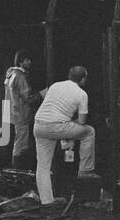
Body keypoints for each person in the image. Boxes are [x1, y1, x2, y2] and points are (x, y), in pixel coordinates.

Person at [32, 65, 100, 204]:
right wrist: (70, 124)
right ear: (83, 79)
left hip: (39, 125)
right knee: (89, 132)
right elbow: (82, 122)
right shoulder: (82, 94)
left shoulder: (55, 85)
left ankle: (47, 202)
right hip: (58, 126)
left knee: (43, 166)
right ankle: (85, 169)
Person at [3, 50, 37, 169]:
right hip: (22, 113)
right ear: (21, 62)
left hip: (14, 112)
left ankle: (18, 167)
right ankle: (18, 170)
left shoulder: (11, 74)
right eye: (27, 60)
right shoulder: (20, 76)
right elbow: (28, 98)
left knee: (19, 140)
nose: (30, 62)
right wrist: (43, 93)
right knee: (21, 143)